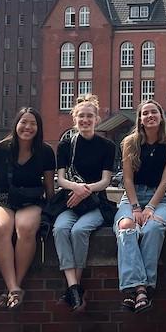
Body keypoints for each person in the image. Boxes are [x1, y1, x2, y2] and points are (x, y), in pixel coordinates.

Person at [0, 107, 56, 311]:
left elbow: (50, 186)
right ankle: (13, 287)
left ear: (38, 128)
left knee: (25, 228)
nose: (28, 127)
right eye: (24, 122)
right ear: (16, 124)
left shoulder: (46, 152)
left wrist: (53, 212)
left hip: (31, 199)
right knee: (1, 228)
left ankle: (13, 287)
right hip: (2, 198)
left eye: (33, 123)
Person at [114, 99, 166, 313]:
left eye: (154, 112)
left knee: (152, 227)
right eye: (145, 113)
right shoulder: (130, 143)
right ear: (140, 119)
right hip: (131, 198)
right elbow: (128, 180)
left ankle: (141, 288)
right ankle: (140, 288)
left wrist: (150, 207)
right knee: (126, 226)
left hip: (158, 198)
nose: (150, 116)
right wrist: (135, 207)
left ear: (161, 116)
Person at [52, 95, 116, 312]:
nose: (85, 120)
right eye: (81, 116)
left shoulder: (107, 145)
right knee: (60, 229)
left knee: (79, 231)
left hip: (96, 202)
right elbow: (60, 179)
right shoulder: (65, 145)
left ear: (97, 119)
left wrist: (85, 190)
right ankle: (74, 287)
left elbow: (106, 181)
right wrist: (76, 189)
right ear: (74, 118)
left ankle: (73, 288)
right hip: (71, 200)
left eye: (90, 116)